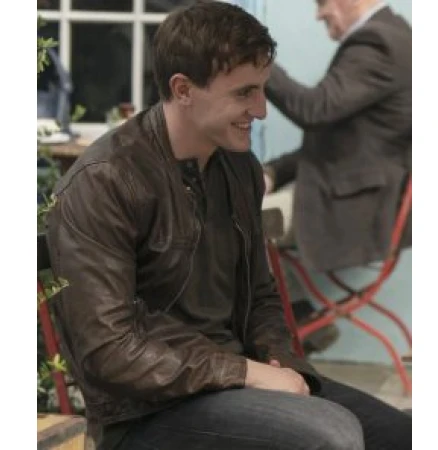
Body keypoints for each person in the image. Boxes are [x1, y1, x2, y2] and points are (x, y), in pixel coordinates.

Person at [46, 2, 411, 449]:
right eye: (244, 93)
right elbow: (109, 352)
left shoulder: (238, 167)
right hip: (145, 411)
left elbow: (261, 295)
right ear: (183, 89)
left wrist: (277, 362)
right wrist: (245, 373)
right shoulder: (104, 181)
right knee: (331, 437)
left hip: (231, 380)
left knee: (404, 435)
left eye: (262, 90)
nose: (261, 110)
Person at [263, 0, 412, 273]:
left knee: (222, 225)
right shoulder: (395, 34)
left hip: (350, 209)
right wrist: (273, 172)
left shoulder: (380, 42)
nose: (319, 15)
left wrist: (252, 59)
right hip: (353, 199)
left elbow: (313, 109)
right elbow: (343, 144)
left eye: (322, 2)